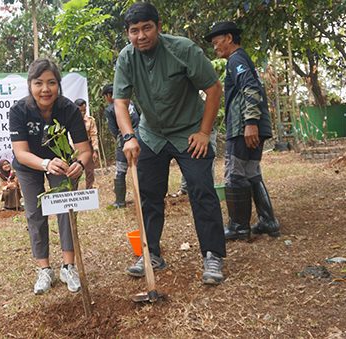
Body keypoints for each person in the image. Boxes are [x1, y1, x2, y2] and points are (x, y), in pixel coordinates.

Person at [113, 2, 226, 285]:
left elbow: (213, 89)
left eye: (147, 28)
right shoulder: (126, 58)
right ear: (128, 33)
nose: (141, 36)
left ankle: (212, 255)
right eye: (134, 31)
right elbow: (120, 102)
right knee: (149, 194)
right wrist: (129, 137)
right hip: (151, 135)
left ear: (158, 28)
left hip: (190, 133)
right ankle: (151, 253)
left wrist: (204, 132)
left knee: (201, 190)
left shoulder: (184, 49)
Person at [9, 58, 92, 294]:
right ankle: (45, 269)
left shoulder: (69, 109)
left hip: (61, 164)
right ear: (30, 85)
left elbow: (84, 151)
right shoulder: (18, 111)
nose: (45, 89)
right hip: (30, 166)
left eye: (51, 83)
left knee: (66, 207)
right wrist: (45, 163)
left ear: (59, 85)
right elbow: (21, 153)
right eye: (38, 83)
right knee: (35, 212)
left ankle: (68, 266)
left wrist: (79, 163)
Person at [205, 21, 280, 240]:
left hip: (243, 126)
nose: (215, 47)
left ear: (229, 38)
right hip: (255, 123)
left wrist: (249, 123)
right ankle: (268, 221)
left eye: (216, 42)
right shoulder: (242, 59)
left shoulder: (236, 59)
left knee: (235, 173)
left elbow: (251, 87)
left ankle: (238, 226)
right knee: (251, 172)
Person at [102, 82, 140, 209]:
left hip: (124, 139)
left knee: (121, 170)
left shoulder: (111, 109)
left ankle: (120, 201)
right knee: (141, 167)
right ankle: (143, 196)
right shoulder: (131, 102)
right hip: (140, 137)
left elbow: (113, 130)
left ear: (108, 95)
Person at [74, 99, 99, 189]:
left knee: (90, 171)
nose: (83, 112)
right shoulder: (71, 121)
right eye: (80, 110)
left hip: (88, 146)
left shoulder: (90, 121)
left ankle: (89, 192)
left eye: (84, 110)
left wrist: (95, 150)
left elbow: (94, 135)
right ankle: (73, 192)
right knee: (74, 171)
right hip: (74, 148)